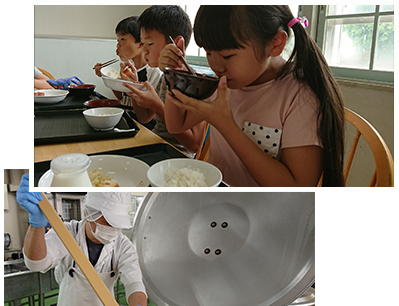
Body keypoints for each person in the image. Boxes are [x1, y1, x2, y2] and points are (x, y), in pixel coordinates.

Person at [164, 5, 345, 187]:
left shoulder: (300, 96)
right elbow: (176, 125)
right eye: (208, 52)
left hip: (265, 210)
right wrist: (176, 75)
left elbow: (296, 188)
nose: (216, 66)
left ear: (276, 43)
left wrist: (226, 125)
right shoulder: (224, 83)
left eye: (227, 56)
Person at [16, 174, 149, 306]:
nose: (112, 229)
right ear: (89, 213)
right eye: (107, 222)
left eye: (117, 224)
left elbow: (134, 283)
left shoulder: (123, 245)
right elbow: (37, 263)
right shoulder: (67, 233)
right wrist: (36, 224)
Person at [121, 5, 205, 156]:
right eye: (143, 44)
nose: (145, 50)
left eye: (150, 44)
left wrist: (157, 105)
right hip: (155, 142)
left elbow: (194, 145)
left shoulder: (193, 81)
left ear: (176, 44)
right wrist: (133, 86)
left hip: (177, 154)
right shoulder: (164, 76)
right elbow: (145, 118)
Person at [94, 16, 161, 107]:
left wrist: (133, 86)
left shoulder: (153, 71)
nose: (118, 45)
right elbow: (123, 98)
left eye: (122, 39)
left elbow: (150, 113)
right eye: (118, 40)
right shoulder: (128, 68)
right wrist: (106, 77)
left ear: (140, 43)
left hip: (138, 121)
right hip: (126, 116)